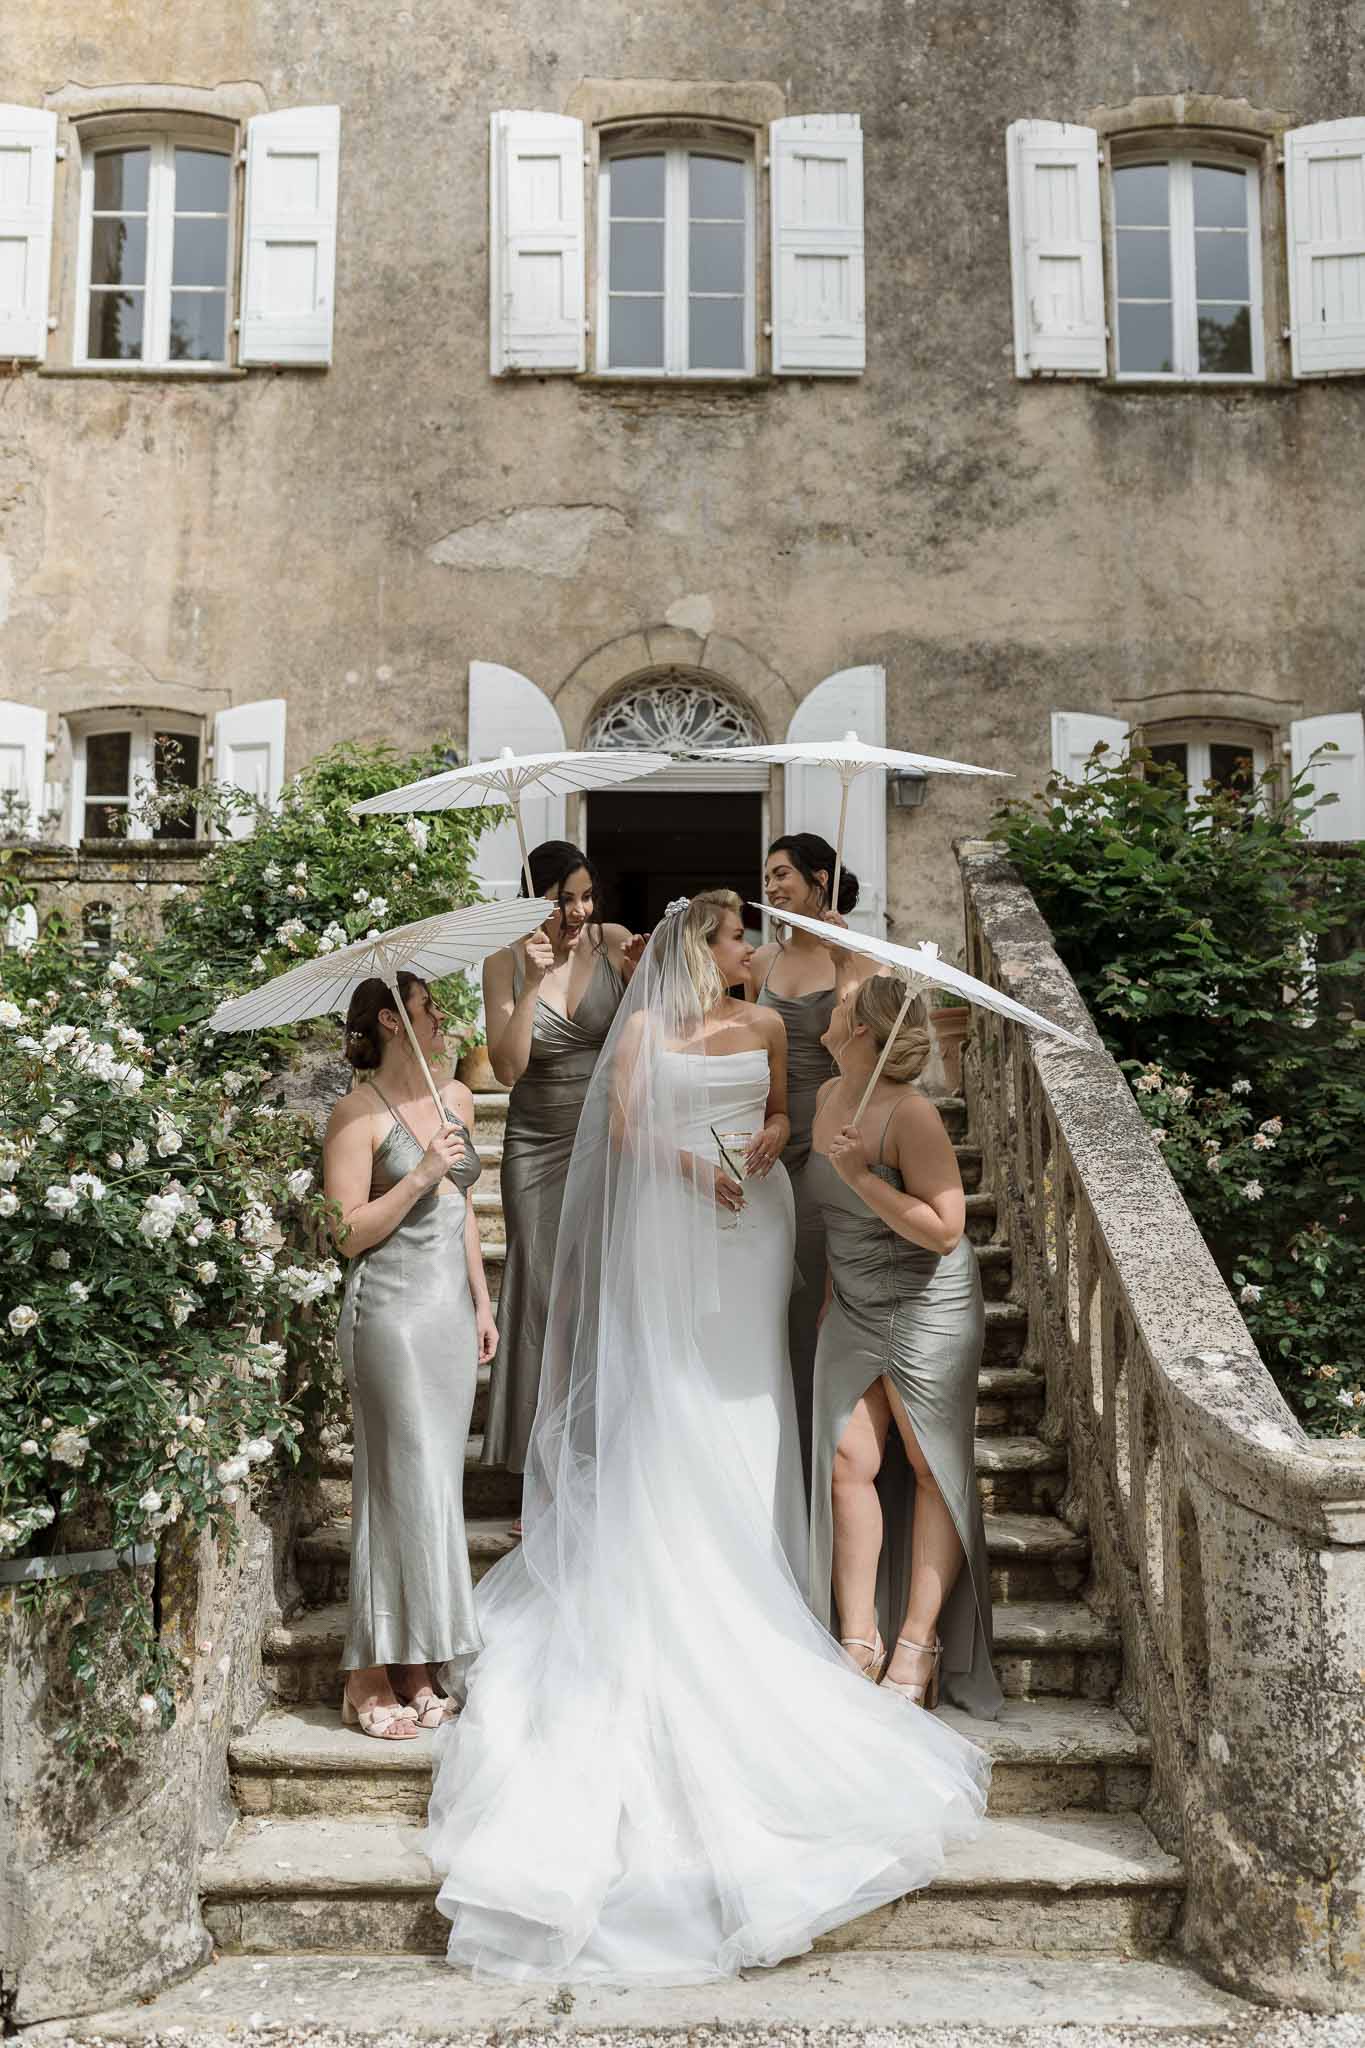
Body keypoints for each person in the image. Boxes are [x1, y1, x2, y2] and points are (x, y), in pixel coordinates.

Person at [424, 895, 989, 1984]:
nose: (757, 956)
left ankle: (765, 1566)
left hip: (754, 1223)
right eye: (741, 940)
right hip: (679, 1218)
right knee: (673, 1399)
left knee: (753, 1405)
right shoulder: (641, 1032)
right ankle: (692, 1566)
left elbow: (779, 1115)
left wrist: (769, 1143)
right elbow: (629, 1129)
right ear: (703, 947)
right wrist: (700, 1168)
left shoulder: (772, 1027)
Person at [806, 973, 1002, 1719]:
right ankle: (859, 1636)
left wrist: (860, 1176)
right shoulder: (829, 1098)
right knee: (845, 1462)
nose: (831, 1004)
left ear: (862, 1030)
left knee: (929, 1469)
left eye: (842, 1001)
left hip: (928, 1304)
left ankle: (918, 1643)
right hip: (853, 1300)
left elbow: (946, 1227)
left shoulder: (911, 1114)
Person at [323, 975, 497, 1740]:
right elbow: (345, 1232)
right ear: (393, 1022)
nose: (444, 1022)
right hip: (387, 1315)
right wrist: (421, 1171)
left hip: (449, 1315)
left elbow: (459, 1209)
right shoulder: (355, 1113)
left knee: (434, 1488)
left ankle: (420, 1664)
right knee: (394, 1485)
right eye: (431, 1011)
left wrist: (482, 1298)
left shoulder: (457, 1096)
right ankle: (365, 1672)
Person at [480, 843, 644, 1500]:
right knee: (542, 1297)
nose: (577, 911)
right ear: (534, 900)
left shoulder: (609, 943)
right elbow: (507, 1068)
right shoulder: (501, 959)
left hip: (606, 1139)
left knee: (600, 1294)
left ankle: (601, 1465)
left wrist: (639, 977)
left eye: (584, 895)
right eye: (562, 899)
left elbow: (653, 1031)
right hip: (536, 1143)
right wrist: (530, 984)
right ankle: (541, 1475)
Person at [749, 834, 873, 1490]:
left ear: (818, 879)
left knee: (816, 1294)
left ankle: (818, 1454)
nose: (771, 888)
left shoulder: (855, 960)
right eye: (767, 877)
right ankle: (769, 1443)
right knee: (768, 1293)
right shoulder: (760, 959)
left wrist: (847, 962)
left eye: (783, 875)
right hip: (766, 1142)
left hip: (827, 1138)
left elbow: (861, 1047)